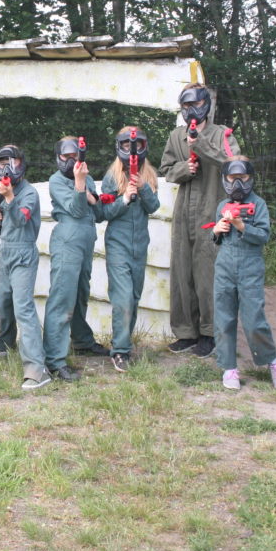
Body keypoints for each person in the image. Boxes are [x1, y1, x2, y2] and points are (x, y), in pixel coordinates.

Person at [158, 84, 239, 358]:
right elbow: (167, 170)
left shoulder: (222, 134)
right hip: (183, 214)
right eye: (186, 106)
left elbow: (234, 166)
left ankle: (209, 333)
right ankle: (185, 333)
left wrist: (201, 147)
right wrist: (184, 169)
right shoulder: (175, 136)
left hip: (211, 210)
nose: (191, 111)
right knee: (182, 273)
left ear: (206, 104)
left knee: (208, 274)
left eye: (195, 105)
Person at [26, 136, 102, 381]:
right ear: (58, 158)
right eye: (65, 157)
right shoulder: (56, 181)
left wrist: (118, 198)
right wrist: (81, 186)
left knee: (80, 292)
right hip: (68, 238)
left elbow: (98, 212)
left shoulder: (88, 178)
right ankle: (54, 360)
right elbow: (78, 209)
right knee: (62, 296)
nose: (71, 162)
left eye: (75, 157)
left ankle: (81, 341)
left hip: (87, 238)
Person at [211, 156, 276, 391]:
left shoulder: (259, 205)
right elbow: (216, 238)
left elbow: (263, 236)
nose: (237, 185)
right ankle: (229, 367)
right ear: (225, 180)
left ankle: (273, 359)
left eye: (242, 179)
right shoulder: (221, 206)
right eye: (232, 179)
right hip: (224, 267)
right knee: (224, 318)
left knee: (253, 319)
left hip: (250, 267)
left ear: (250, 179)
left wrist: (242, 226)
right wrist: (217, 230)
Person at [0, 146, 50, 390]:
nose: (5, 168)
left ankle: (36, 367)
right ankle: (5, 343)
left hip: (23, 254)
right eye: (1, 163)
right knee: (3, 301)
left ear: (21, 164)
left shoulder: (29, 193)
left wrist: (9, 197)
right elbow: (5, 228)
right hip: (6, 252)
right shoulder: (2, 193)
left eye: (9, 163)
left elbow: (22, 220)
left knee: (23, 308)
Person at [99, 127, 161, 371]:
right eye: (126, 145)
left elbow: (153, 207)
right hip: (118, 245)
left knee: (133, 297)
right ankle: (120, 351)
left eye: (135, 145)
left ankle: (124, 345)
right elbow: (105, 212)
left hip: (140, 246)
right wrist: (124, 198)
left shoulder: (149, 175)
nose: (131, 150)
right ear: (119, 147)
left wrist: (142, 187)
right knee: (122, 297)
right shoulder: (111, 177)